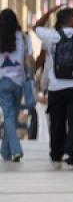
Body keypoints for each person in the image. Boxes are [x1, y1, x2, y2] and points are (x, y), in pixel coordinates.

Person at [33, 5, 73, 170]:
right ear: (69, 19)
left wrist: (49, 11)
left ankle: (56, 156)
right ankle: (72, 158)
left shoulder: (52, 37)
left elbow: (36, 27)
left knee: (57, 123)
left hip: (56, 88)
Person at [0, 9, 29, 162]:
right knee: (12, 117)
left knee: (9, 117)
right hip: (18, 82)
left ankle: (9, 150)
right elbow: (28, 59)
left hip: (2, 82)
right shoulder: (23, 37)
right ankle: (11, 151)